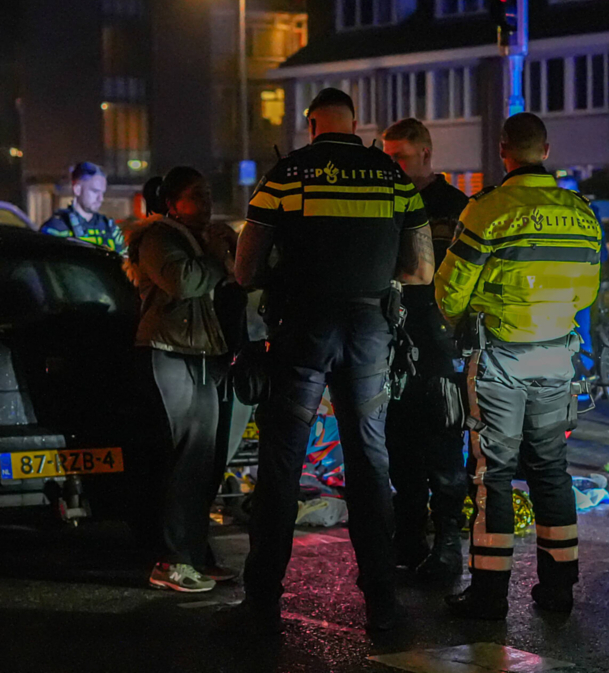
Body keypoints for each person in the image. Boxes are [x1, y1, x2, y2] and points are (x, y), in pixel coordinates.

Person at [229, 88, 434, 633]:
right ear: (356, 122)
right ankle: (383, 606)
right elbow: (421, 272)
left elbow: (245, 270)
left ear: (311, 123)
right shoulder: (391, 176)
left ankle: (262, 607)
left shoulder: (289, 175)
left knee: (281, 464)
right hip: (369, 331)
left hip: (302, 330)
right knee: (370, 462)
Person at [435, 112, 601, 620]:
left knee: (495, 474)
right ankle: (558, 588)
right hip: (557, 358)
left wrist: (463, 319)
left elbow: (450, 290)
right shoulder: (581, 213)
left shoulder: (488, 209)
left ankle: (488, 593)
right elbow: (587, 292)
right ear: (546, 151)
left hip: (501, 362)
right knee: (552, 470)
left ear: (503, 150)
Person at [125, 167, 238, 593]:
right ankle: (172, 560)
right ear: (172, 203)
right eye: (196, 195)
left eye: (209, 194)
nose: (206, 203)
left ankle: (194, 554)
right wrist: (213, 257)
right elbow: (184, 281)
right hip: (169, 352)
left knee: (203, 460)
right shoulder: (158, 238)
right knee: (188, 458)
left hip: (201, 355)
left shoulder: (200, 236)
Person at [381, 118, 468, 580]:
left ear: (427, 155)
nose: (391, 166)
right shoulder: (386, 202)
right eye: (387, 157)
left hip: (439, 346)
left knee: (443, 446)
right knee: (400, 447)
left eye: (400, 158)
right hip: (394, 343)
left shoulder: (455, 208)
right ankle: (409, 540)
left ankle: (448, 543)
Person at [41, 162, 127, 255]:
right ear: (77, 189)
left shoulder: (110, 228)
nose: (100, 198)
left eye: (102, 193)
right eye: (95, 191)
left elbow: (125, 261)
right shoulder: (56, 228)